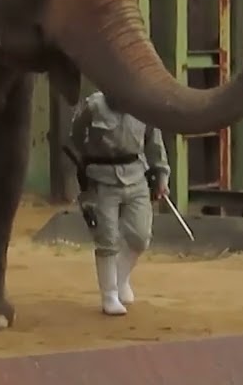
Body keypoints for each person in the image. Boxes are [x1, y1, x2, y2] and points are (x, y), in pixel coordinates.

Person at [67, 90, 170, 316]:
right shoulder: (94, 106)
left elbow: (155, 144)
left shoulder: (144, 106)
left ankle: (121, 278)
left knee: (140, 236)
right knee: (107, 239)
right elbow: (75, 136)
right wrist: (88, 160)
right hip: (102, 178)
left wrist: (161, 175)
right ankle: (109, 294)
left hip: (136, 175)